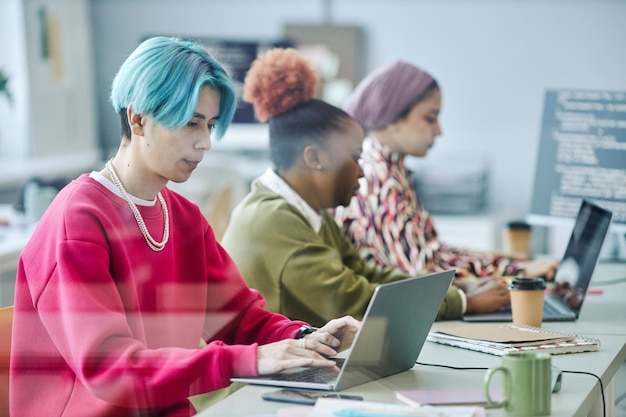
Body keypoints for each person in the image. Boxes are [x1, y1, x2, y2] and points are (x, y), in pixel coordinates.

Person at [10, 36, 360, 417]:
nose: (206, 142)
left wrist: (306, 338)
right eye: (191, 123)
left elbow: (239, 319)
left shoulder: (183, 216)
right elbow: (111, 371)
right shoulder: (78, 218)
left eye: (210, 125)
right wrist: (251, 361)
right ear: (138, 117)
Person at [220, 48, 503, 328]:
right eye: (354, 158)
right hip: (268, 372)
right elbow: (352, 300)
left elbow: (365, 273)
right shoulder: (274, 221)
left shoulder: (308, 211)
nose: (362, 170)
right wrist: (463, 303)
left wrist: (456, 291)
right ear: (314, 159)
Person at [333, 60, 559, 297]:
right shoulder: (379, 179)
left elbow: (430, 252)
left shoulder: (390, 169)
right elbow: (420, 272)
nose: (439, 130)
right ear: (392, 118)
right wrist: (515, 270)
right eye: (430, 118)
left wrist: (501, 259)